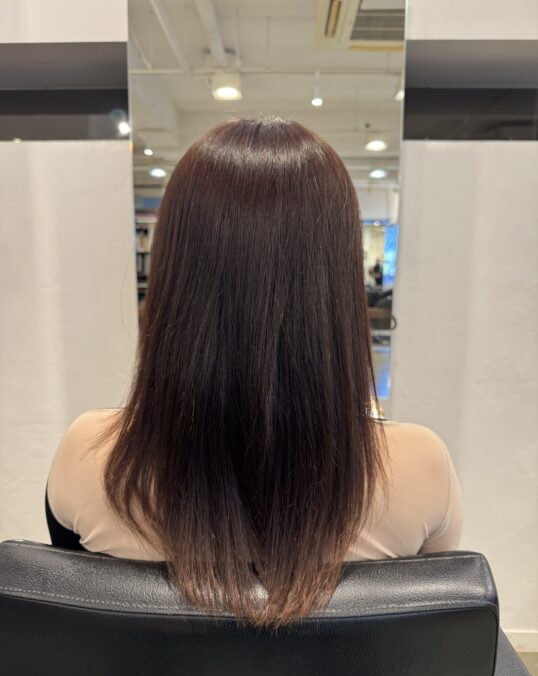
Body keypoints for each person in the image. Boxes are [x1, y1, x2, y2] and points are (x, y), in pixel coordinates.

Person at [46, 117, 462, 627]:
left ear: (173, 275)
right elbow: (429, 620)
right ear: (338, 282)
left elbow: (77, 612)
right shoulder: (421, 467)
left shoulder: (87, 455)